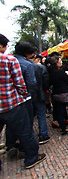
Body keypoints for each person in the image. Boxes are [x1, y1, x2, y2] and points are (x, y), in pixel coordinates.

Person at [0, 34, 46, 170]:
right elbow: (22, 84)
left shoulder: (13, 59)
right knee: (25, 131)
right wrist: (24, 96)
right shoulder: (8, 60)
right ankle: (31, 157)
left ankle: (11, 146)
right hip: (11, 103)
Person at [6, 42, 37, 154]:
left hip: (8, 100)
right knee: (26, 126)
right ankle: (27, 151)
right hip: (24, 98)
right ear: (27, 53)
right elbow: (31, 83)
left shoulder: (8, 60)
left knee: (10, 124)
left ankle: (11, 145)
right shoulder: (26, 64)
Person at [48, 51, 68, 128]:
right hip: (60, 92)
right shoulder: (58, 71)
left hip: (55, 92)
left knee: (59, 107)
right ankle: (60, 121)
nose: (61, 61)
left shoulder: (52, 71)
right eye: (60, 59)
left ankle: (61, 121)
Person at [28, 54, 51, 144]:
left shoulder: (20, 65)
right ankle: (43, 135)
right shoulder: (40, 67)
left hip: (28, 96)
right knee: (41, 115)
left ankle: (30, 136)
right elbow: (46, 82)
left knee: (29, 116)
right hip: (39, 95)